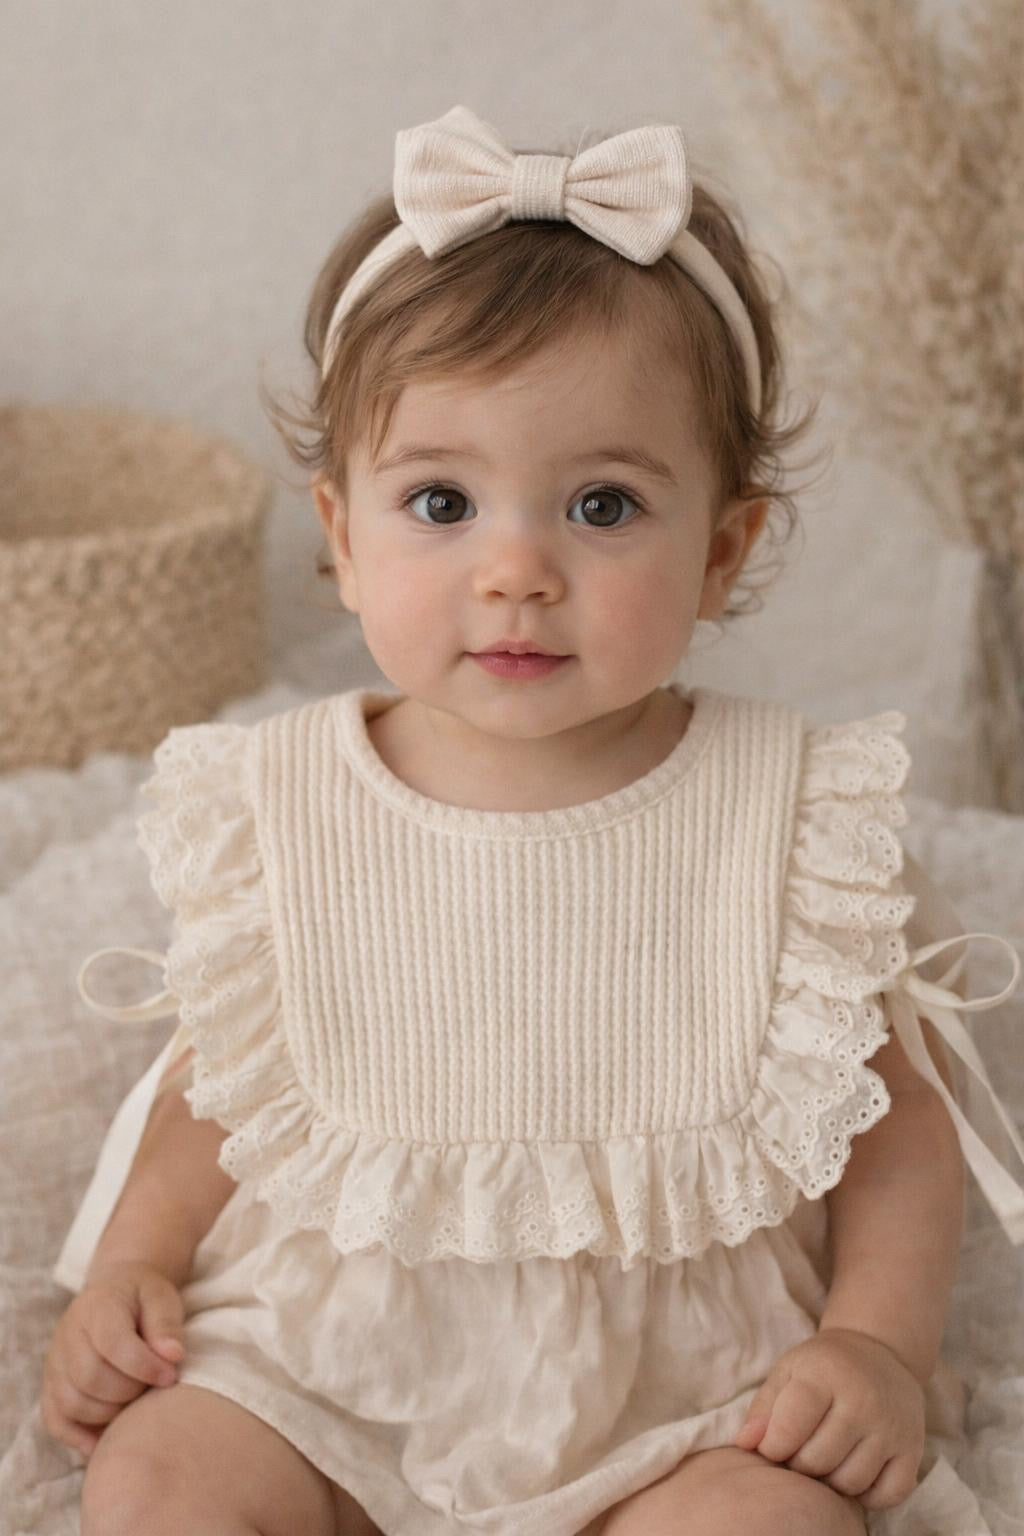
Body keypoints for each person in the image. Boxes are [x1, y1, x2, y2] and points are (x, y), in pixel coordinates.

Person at [42, 105, 1024, 1536]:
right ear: (336, 533)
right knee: (163, 1473)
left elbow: (894, 1136)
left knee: (773, 1522)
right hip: (329, 1378)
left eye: (604, 505)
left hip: (687, 1407)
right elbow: (224, 1086)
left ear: (723, 549)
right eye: (440, 500)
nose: (516, 571)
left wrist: (876, 1345)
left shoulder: (790, 817)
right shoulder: (288, 801)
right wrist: (133, 1264)